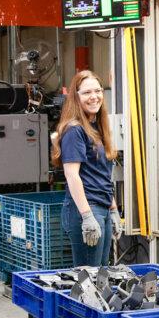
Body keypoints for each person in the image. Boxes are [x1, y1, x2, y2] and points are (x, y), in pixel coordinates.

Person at [53, 70, 121, 267]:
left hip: (102, 207)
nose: (94, 97)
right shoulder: (74, 130)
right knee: (88, 279)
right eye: (87, 92)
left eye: (98, 91)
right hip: (85, 209)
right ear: (76, 97)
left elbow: (102, 175)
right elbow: (72, 175)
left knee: (100, 275)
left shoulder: (96, 128)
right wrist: (87, 216)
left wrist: (113, 208)